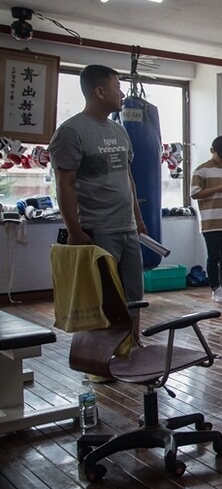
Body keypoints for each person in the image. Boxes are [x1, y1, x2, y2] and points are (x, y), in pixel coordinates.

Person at [49, 64, 147, 339]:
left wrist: (138, 219)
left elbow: (128, 178)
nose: (122, 94)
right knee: (104, 296)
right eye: (117, 87)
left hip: (126, 227)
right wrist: (74, 231)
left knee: (134, 294)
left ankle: (132, 346)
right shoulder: (71, 131)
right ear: (100, 91)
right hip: (97, 229)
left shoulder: (120, 131)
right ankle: (102, 357)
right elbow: (64, 184)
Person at [190, 135, 222, 304]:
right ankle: (216, 289)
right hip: (211, 221)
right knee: (214, 256)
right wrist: (217, 189)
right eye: (221, 155)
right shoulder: (200, 170)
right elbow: (195, 193)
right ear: (212, 151)